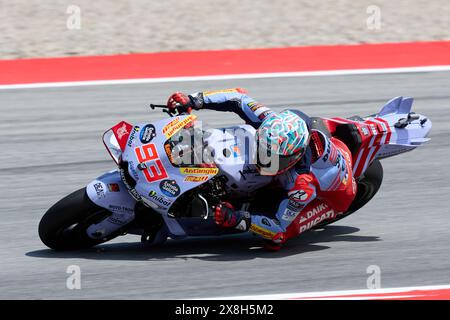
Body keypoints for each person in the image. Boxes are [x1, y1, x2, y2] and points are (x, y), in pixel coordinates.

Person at [166, 88, 357, 250]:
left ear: (293, 157)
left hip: (336, 194)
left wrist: (238, 219)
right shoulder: (271, 122)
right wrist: (195, 99)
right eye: (262, 151)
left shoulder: (302, 185)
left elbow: (278, 229)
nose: (262, 161)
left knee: (274, 242)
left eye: (271, 159)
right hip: (311, 137)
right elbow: (237, 97)